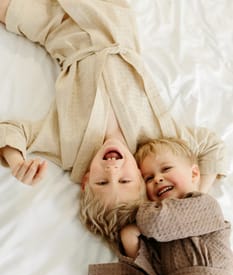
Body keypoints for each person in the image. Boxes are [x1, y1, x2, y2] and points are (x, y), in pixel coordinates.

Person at [0, 0, 226, 235]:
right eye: (125, 181)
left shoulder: (67, 150)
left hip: (58, 31)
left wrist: (17, 162)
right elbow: (212, 148)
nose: (112, 169)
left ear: (86, 181)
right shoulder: (160, 141)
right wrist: (198, 196)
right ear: (140, 176)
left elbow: (11, 131)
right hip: (114, 22)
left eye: (102, 182)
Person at [88, 138, 233, 275]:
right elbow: (151, 271)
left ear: (194, 174)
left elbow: (156, 223)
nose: (158, 179)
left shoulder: (206, 207)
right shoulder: (158, 234)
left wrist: (140, 210)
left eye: (166, 169)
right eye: (148, 178)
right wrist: (133, 245)